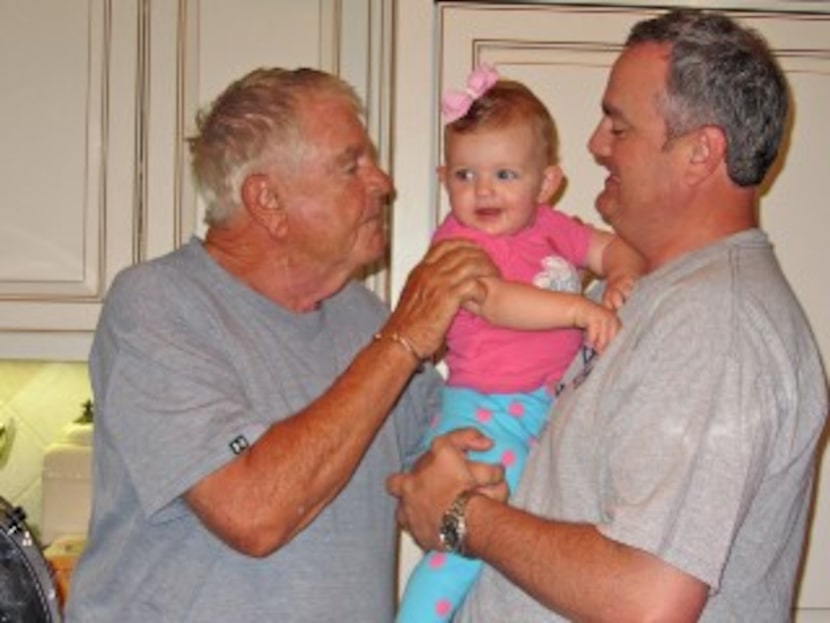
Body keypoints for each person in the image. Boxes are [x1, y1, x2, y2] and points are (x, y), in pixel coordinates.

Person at [388, 8, 829, 622]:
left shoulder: (715, 325)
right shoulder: (639, 293)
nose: (595, 143)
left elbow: (649, 601)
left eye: (618, 127)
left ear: (701, 152)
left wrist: (463, 514)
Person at [64, 67, 498, 623]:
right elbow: (252, 512)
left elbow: (441, 477)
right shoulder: (157, 305)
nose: (383, 182)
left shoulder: (366, 319)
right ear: (267, 199)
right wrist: (405, 336)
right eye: (352, 165)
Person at [396, 67, 643, 623]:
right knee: (462, 543)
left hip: (541, 410)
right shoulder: (456, 241)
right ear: (444, 178)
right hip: (488, 411)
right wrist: (580, 309)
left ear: (546, 182)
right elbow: (494, 300)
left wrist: (623, 274)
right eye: (465, 175)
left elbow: (615, 250)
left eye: (505, 174)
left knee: (530, 542)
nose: (483, 191)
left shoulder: (556, 228)